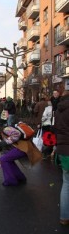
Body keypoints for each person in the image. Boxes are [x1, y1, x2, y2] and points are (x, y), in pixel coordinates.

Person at [54, 90, 69, 226]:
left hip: (63, 150)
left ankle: (64, 217)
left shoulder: (58, 110)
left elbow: (56, 128)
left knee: (66, 183)